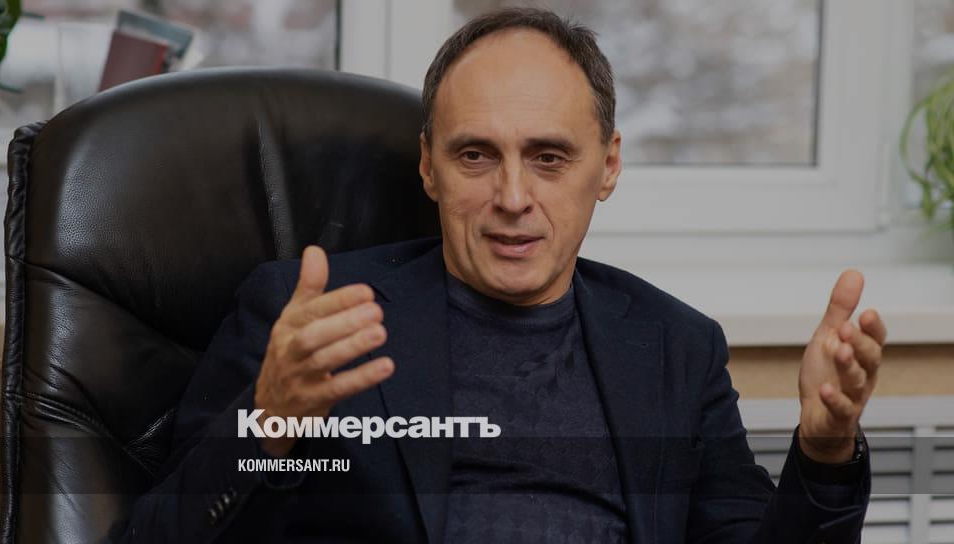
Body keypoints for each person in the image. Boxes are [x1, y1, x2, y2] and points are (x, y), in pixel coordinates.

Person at [119, 8, 886, 543]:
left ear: (608, 166)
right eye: (475, 155)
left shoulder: (674, 347)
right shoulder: (309, 321)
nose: (513, 198)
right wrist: (269, 425)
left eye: (549, 157)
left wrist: (825, 453)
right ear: (429, 165)